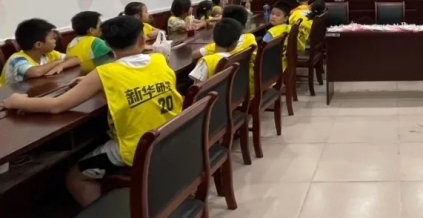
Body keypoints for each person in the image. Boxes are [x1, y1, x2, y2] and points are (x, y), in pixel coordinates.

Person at [1, 16, 182, 207]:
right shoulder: (159, 60)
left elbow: (57, 105)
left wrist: (18, 101)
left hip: (134, 148)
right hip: (170, 135)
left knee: (75, 177)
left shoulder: (105, 72)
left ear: (107, 44)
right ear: (142, 40)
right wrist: (92, 83)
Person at [193, 5, 259, 96]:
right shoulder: (250, 38)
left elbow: (194, 55)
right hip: (243, 90)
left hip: (219, 97)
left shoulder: (212, 53)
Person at [0, 19, 79, 86]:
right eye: (52, 38)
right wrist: (57, 62)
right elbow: (35, 72)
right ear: (38, 45)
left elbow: (76, 59)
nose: (55, 40)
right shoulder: (17, 59)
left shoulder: (49, 53)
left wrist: (61, 66)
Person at [189, 18, 242, 82]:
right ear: (234, 44)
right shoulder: (237, 56)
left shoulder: (206, 62)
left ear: (213, 38)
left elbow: (197, 86)